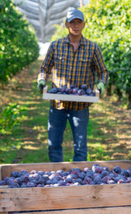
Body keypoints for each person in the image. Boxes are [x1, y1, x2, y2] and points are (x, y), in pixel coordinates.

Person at [37, 8, 108, 162]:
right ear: (66, 24)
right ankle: (57, 177)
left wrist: (102, 83)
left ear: (83, 25)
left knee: (81, 146)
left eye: (79, 22)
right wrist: (41, 79)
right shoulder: (56, 46)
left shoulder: (92, 48)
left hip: (80, 106)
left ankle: (78, 181)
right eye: (72, 22)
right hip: (58, 104)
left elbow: (103, 71)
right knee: (53, 143)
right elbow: (45, 68)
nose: (75, 25)